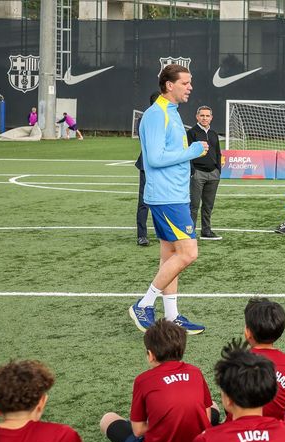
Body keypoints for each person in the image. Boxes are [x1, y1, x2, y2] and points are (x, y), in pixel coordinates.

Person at [129, 64, 209, 333]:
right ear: (168, 85)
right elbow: (155, 158)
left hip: (175, 194)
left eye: (190, 82)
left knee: (170, 257)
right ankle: (144, 303)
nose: (190, 87)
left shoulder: (172, 113)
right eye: (185, 83)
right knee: (189, 253)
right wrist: (193, 150)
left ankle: (172, 315)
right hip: (166, 197)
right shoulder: (156, 115)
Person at [99, 319, 213, 442]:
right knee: (213, 405)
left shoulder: (143, 380)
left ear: (150, 355)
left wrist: (161, 423)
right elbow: (206, 417)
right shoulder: (195, 372)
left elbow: (138, 430)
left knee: (108, 419)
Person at [236, 298, 285, 421]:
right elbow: (282, 401)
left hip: (239, 431)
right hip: (276, 431)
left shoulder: (236, 361)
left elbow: (229, 409)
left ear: (248, 332)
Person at [185, 106, 222, 240]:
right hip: (198, 173)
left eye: (207, 116)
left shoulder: (213, 133)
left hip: (213, 174)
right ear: (197, 116)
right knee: (194, 205)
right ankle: (190, 232)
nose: (204, 118)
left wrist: (218, 170)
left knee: (208, 205)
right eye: (202, 115)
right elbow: (187, 153)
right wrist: (192, 171)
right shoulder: (191, 133)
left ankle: (206, 231)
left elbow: (218, 153)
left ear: (211, 118)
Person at [135, 92, 161, 246]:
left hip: (164, 166)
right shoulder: (144, 119)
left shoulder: (168, 117)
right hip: (148, 166)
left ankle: (163, 233)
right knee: (144, 202)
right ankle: (142, 235)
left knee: (163, 201)